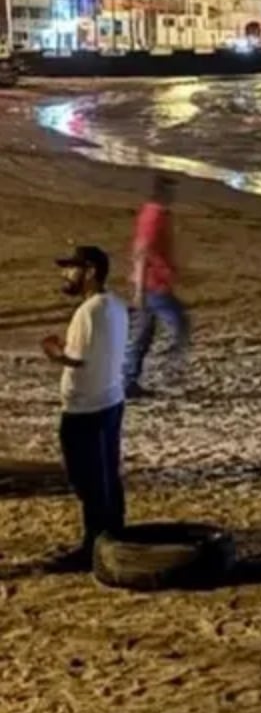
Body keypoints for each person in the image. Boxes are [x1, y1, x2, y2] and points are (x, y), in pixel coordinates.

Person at [42, 246, 130, 571]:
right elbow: (99, 352)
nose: (66, 275)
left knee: (89, 481)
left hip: (86, 408)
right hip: (110, 400)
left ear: (90, 271)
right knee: (107, 474)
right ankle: (113, 534)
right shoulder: (116, 305)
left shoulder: (89, 311)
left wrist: (54, 352)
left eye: (71, 268)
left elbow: (78, 359)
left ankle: (94, 547)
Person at [125, 174, 189, 398]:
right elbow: (142, 251)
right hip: (153, 285)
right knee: (178, 324)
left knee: (143, 333)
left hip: (152, 282)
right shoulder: (155, 216)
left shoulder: (152, 212)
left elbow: (140, 250)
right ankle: (167, 367)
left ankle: (128, 380)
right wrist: (140, 288)